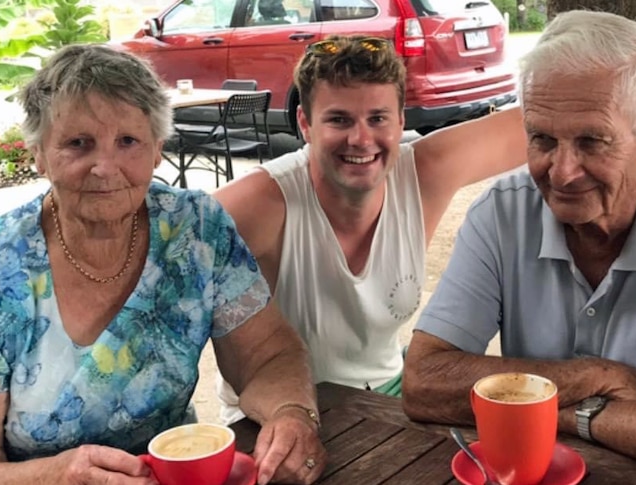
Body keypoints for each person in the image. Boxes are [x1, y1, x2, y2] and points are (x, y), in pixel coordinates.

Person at [401, 10, 636, 485]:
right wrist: (600, 377)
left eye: (592, 141)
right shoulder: (500, 214)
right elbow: (423, 383)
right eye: (542, 138)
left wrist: (558, 414)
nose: (561, 172)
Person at [0, 44, 323, 485]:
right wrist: (50, 478)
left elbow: (267, 354)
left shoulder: (195, 229)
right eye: (79, 143)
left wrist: (293, 415)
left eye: (128, 142)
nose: (104, 167)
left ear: (158, 149)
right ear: (38, 154)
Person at [213, 35, 528, 423]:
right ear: (305, 124)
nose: (361, 139)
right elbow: (161, 238)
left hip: (387, 397)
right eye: (339, 119)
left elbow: (545, 117)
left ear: (400, 122)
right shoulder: (264, 202)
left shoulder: (423, 173)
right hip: (277, 413)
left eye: (377, 118)